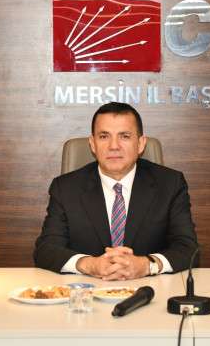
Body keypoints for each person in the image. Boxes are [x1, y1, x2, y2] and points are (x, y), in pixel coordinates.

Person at [34, 102, 198, 280]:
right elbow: (46, 250)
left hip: (151, 288)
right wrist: (90, 265)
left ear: (141, 144)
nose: (114, 146)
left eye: (124, 136)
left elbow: (188, 249)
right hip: (87, 290)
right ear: (93, 144)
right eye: (104, 136)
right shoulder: (66, 188)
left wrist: (147, 265)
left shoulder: (170, 184)